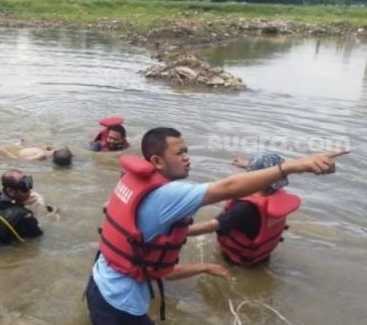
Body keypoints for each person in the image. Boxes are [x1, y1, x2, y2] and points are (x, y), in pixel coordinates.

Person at [86, 127, 346, 325]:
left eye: (187, 151)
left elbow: (147, 258)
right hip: (118, 305)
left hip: (99, 282)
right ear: (156, 161)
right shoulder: (169, 195)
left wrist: (204, 266)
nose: (187, 158)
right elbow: (227, 187)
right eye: (179, 153)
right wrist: (297, 165)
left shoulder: (134, 182)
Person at [187, 151, 301, 266]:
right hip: (262, 258)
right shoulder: (277, 198)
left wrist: (181, 232)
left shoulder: (244, 208)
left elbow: (211, 226)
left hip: (235, 262)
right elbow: (268, 175)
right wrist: (248, 164)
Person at [0, 140, 73, 167]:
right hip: (22, 149)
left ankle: (20, 145)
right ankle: (21, 145)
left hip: (17, 152)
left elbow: (21, 160)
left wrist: (5, 152)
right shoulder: (47, 153)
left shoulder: (41, 155)